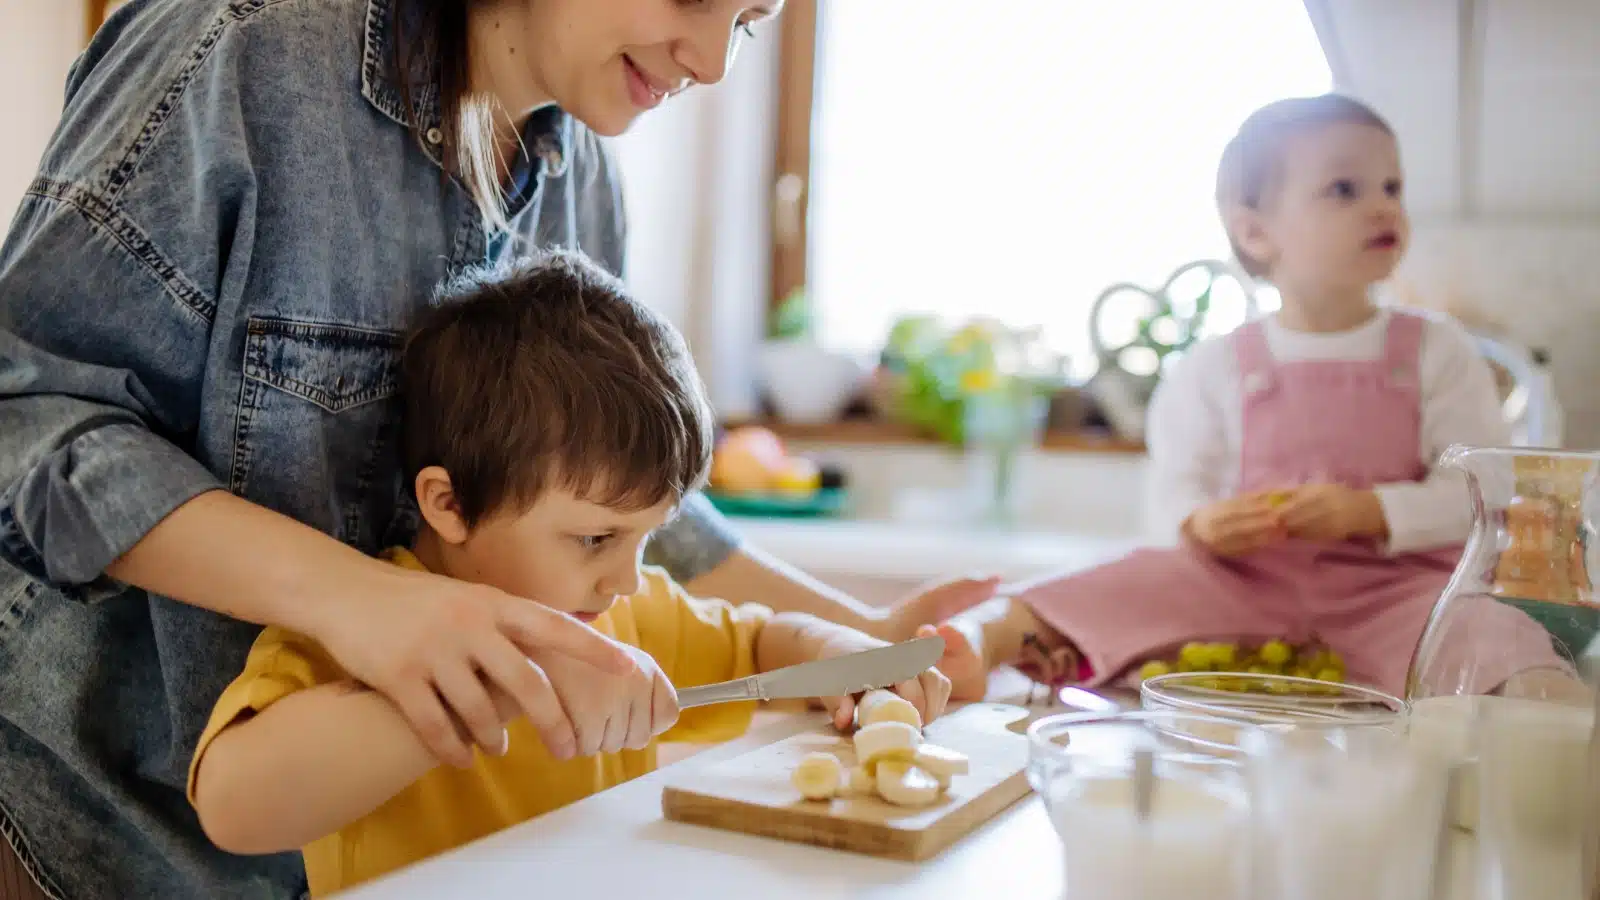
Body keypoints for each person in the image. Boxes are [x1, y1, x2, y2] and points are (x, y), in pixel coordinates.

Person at [0, 1, 990, 896]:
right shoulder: (246, 49)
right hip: (98, 841)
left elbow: (621, 504)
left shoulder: (584, 176)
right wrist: (363, 603)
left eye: (750, 21)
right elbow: (22, 418)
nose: (715, 63)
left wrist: (864, 637)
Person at [185, 251, 952, 897]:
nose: (625, 577)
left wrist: (836, 659)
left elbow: (760, 645)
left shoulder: (619, 611)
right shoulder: (366, 634)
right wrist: (514, 682)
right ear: (448, 504)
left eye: (648, 538)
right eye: (594, 538)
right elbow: (234, 805)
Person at [918, 94, 1579, 704]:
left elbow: (1482, 498)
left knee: (1500, 635)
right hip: (1241, 593)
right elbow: (1174, 497)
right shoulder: (1213, 368)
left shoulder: (1439, 351)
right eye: (1345, 189)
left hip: (1396, 598)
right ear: (1256, 232)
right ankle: (982, 637)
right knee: (1100, 582)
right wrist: (1200, 525)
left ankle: (1548, 726)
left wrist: (1370, 511)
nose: (1383, 207)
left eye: (1392, 187)